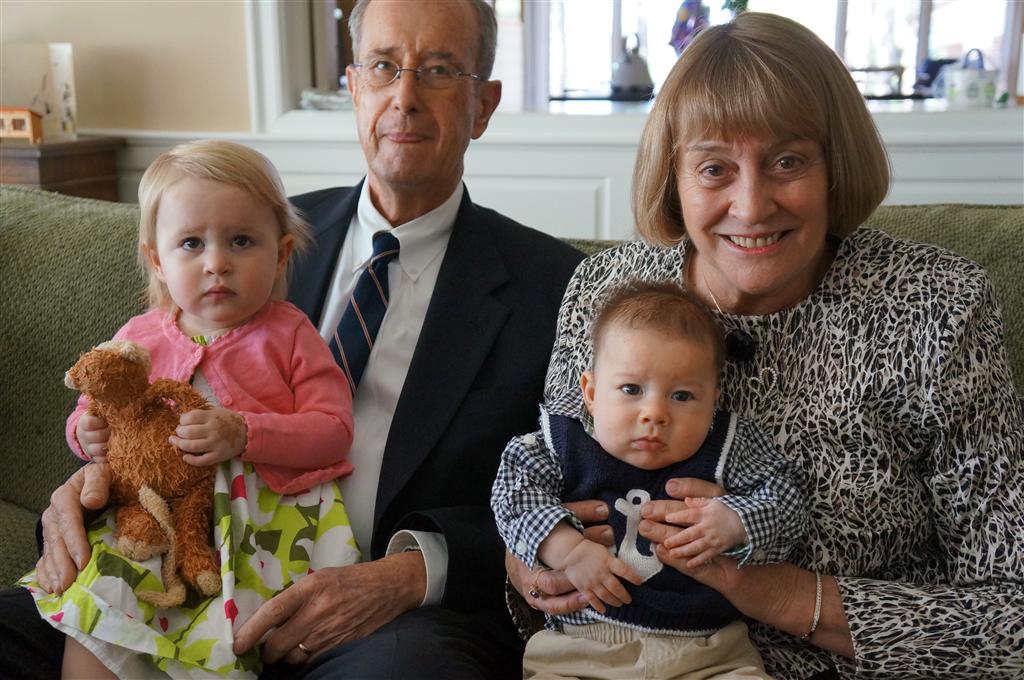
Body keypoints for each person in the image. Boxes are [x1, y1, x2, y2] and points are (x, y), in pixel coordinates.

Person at [0, 1, 584, 678]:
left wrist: (412, 571)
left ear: (484, 105)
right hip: (184, 570)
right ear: (353, 87)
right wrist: (82, 492)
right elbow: (145, 396)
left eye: (439, 70)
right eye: (383, 66)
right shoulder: (243, 236)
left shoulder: (554, 286)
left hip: (381, 619)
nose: (404, 97)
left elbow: (579, 494)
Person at [507, 12, 1024, 680]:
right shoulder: (606, 292)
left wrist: (773, 593)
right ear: (674, 177)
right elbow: (541, 488)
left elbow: (1010, 613)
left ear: (835, 166)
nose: (751, 206)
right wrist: (534, 562)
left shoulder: (937, 308)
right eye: (714, 168)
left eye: (787, 161)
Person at [18, 139, 358, 678]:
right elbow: (90, 409)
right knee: (95, 610)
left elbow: (333, 431)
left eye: (241, 241)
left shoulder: (292, 335)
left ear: (281, 254)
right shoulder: (138, 337)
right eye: (192, 243)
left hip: (256, 527)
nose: (217, 263)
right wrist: (86, 432)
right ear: (158, 259)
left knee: (223, 644)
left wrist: (245, 433)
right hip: (151, 511)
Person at [493, 281, 806, 679]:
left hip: (709, 653)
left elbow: (787, 496)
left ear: (713, 399)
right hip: (580, 649)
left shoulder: (730, 445)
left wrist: (735, 519)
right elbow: (513, 494)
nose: (654, 413)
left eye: (682, 396)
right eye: (631, 389)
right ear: (591, 392)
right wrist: (567, 549)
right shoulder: (562, 441)